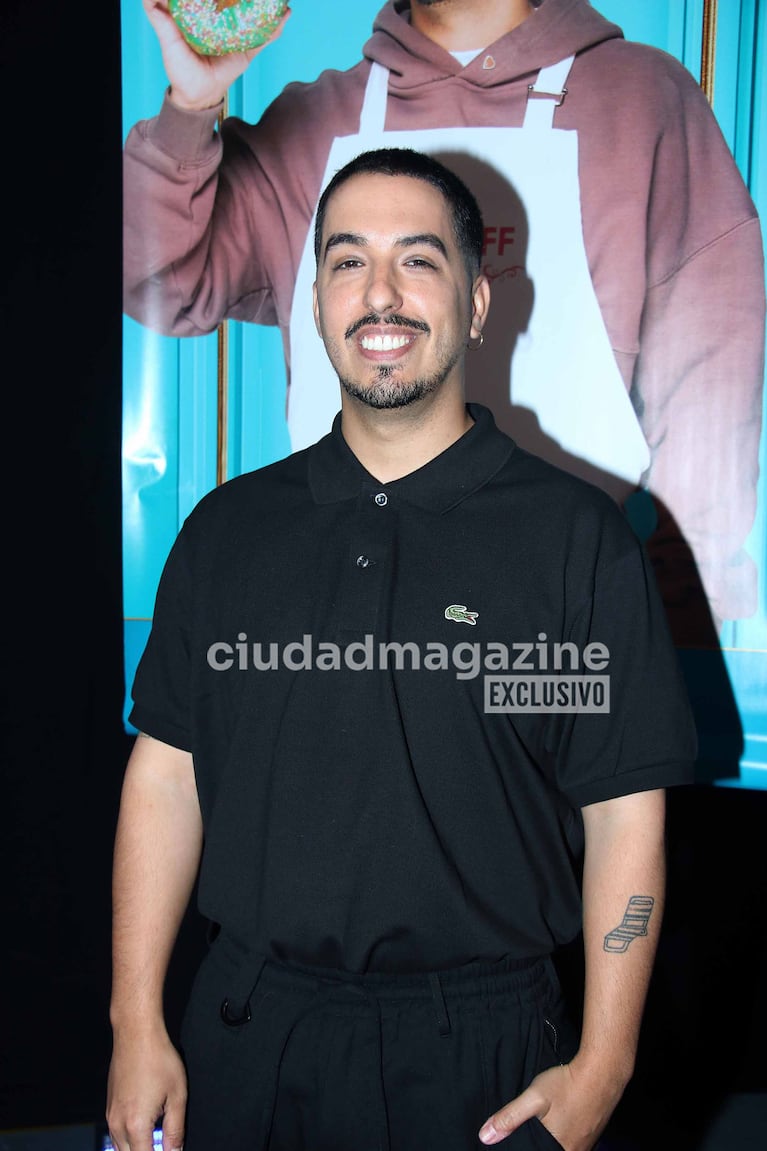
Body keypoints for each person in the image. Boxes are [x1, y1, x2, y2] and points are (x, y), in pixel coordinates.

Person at [107, 147, 696, 1151]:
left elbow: (621, 816)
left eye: (416, 260)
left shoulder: (574, 539)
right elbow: (166, 777)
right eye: (345, 261)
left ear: (474, 301)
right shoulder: (226, 532)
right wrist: (135, 1021)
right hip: (243, 1035)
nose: (378, 293)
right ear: (314, 299)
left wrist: (604, 1061)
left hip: (483, 1055)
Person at [124, 0, 765, 646]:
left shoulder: (640, 102)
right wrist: (191, 106)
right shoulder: (312, 124)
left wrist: (672, 614)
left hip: (557, 633)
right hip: (345, 629)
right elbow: (158, 283)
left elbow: (712, 366)